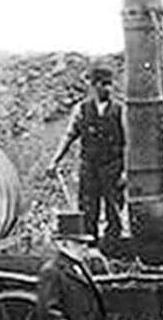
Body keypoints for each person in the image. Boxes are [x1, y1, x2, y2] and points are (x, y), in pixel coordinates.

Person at [48, 63, 127, 255]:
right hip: (89, 166)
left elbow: (129, 142)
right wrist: (55, 160)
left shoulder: (120, 110)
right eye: (103, 84)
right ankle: (90, 250)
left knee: (113, 209)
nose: (107, 88)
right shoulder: (81, 109)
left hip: (112, 167)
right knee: (88, 208)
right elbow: (69, 136)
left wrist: (125, 171)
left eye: (109, 84)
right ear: (94, 86)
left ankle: (111, 250)